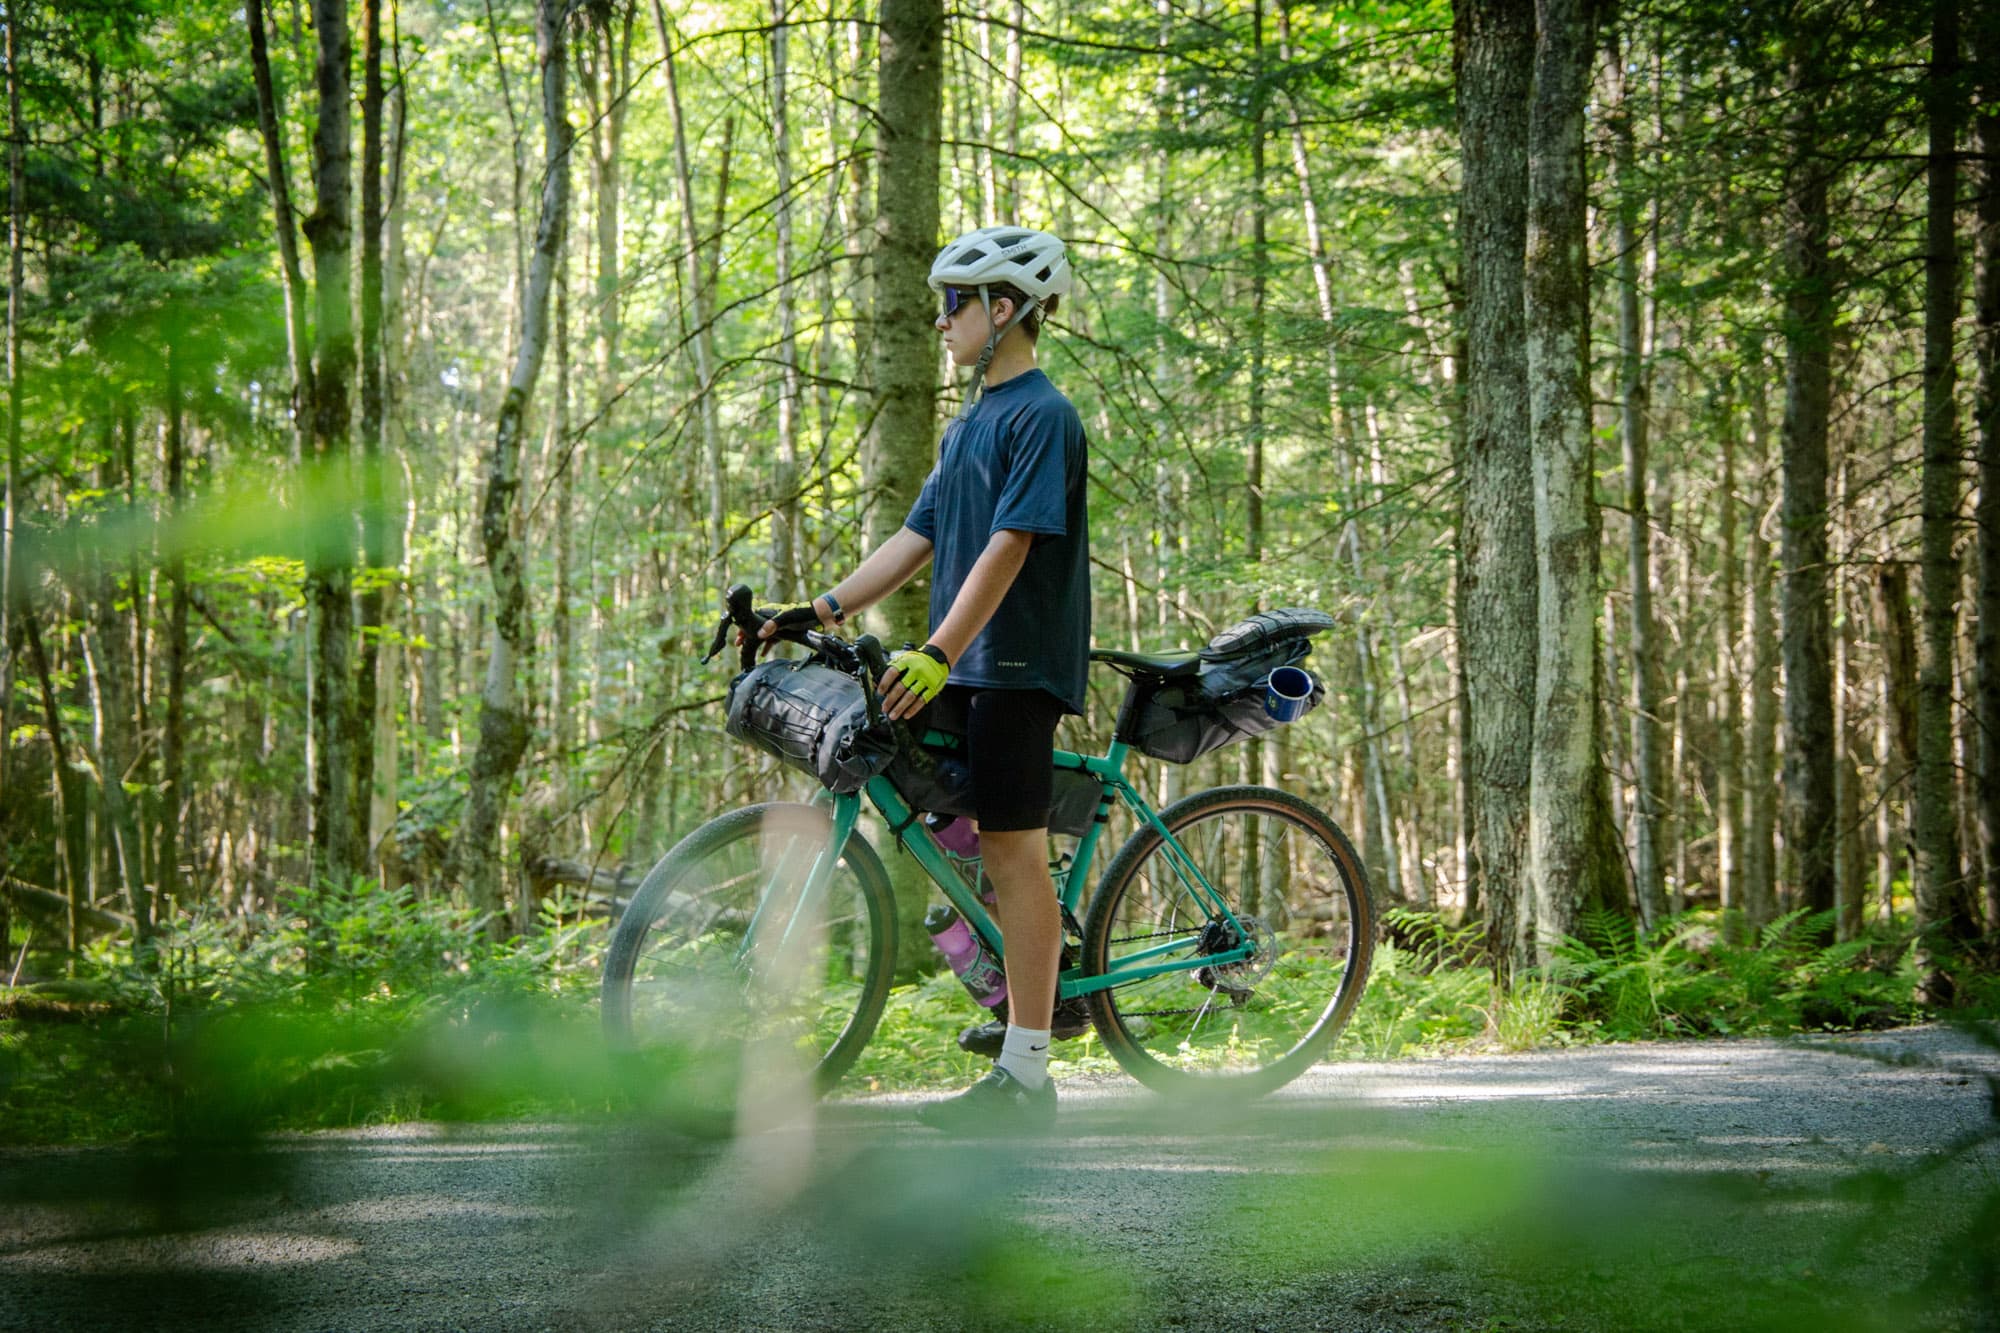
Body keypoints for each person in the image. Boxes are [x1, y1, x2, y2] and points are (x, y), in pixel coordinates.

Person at [757, 225, 1089, 1133]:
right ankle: (1010, 992)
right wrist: (813, 610)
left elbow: (1009, 546)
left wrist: (939, 649)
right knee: (942, 819)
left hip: (1015, 667)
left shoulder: (1043, 416)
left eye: (955, 303)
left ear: (1005, 309)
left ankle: (1028, 1073)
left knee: (1016, 853)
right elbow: (919, 539)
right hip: (963, 665)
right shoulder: (967, 423)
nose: (940, 322)